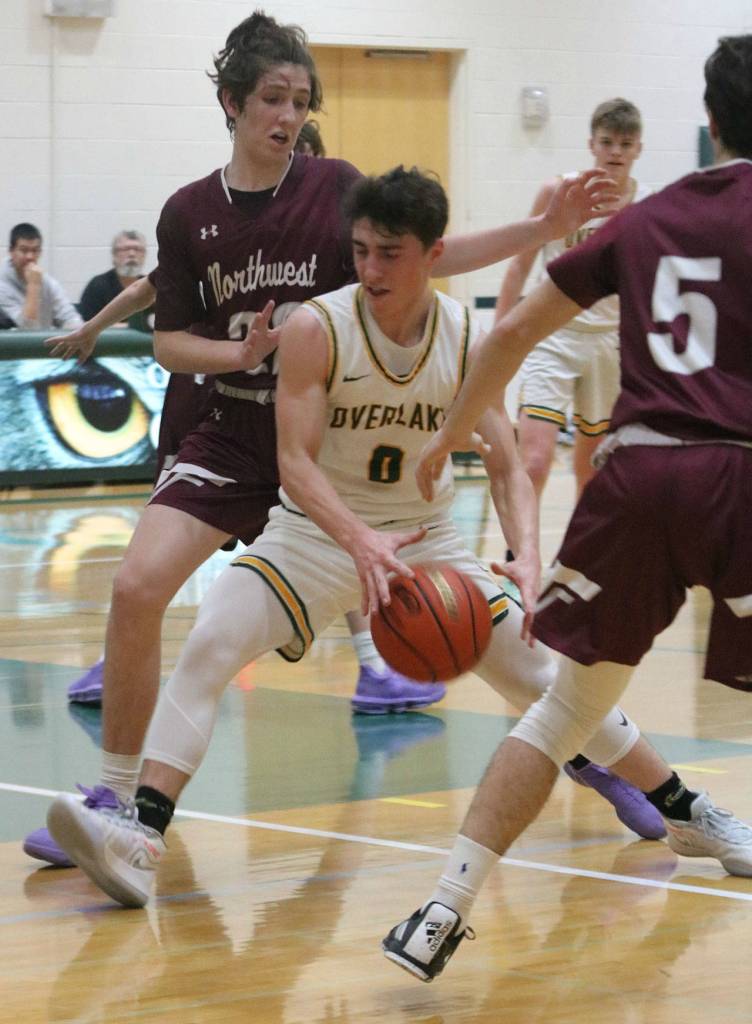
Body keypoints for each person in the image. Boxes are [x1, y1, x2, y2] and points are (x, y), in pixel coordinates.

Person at [26, 8, 618, 869]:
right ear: (231, 102)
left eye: (300, 98)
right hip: (229, 435)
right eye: (272, 96)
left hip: (334, 442)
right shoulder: (189, 211)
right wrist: (241, 350)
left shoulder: (335, 185)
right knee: (135, 587)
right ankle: (118, 797)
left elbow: (429, 251)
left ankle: (620, 772)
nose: (288, 113)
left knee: (498, 648)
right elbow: (165, 339)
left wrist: (536, 230)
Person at [46, 165, 700, 910]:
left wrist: (524, 555)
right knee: (210, 641)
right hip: (320, 534)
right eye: (360, 250)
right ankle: (140, 836)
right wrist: (356, 538)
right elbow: (293, 465)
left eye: (389, 253)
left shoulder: (460, 333)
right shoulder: (315, 327)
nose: (369, 267)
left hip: (429, 545)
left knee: (545, 678)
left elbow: (507, 459)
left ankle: (690, 812)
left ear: (432, 255)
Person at [383, 33, 752, 982]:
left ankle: (441, 911)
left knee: (563, 713)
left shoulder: (646, 219)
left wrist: (449, 434)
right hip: (738, 479)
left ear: (709, 124)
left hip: (635, 479)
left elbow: (507, 330)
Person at [496, 99, 647, 504]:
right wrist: (498, 336)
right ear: (591, 144)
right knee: (535, 461)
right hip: (553, 335)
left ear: (638, 149)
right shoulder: (560, 192)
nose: (615, 151)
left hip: (610, 342)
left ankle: (578, 565)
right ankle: (518, 562)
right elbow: (519, 265)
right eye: (607, 141)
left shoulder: (648, 205)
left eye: (625, 143)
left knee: (592, 469)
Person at [0, 223, 82, 331]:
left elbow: (72, 319)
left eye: (35, 251)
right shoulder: (2, 285)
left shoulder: (47, 282)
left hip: (43, 345)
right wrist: (33, 286)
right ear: (11, 251)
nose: (30, 256)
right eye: (24, 250)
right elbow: (27, 330)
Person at [77, 230, 151, 329]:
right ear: (114, 255)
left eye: (137, 249)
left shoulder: (150, 286)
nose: (132, 254)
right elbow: (87, 324)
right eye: (126, 249)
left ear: (144, 255)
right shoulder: (97, 285)